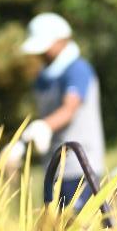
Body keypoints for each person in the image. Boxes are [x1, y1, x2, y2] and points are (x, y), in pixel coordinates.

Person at [9, 12, 105, 207]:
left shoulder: (77, 70)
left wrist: (43, 127)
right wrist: (22, 143)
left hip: (81, 166)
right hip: (54, 168)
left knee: (79, 230)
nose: (40, 54)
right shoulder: (43, 78)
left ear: (62, 40)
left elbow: (69, 109)